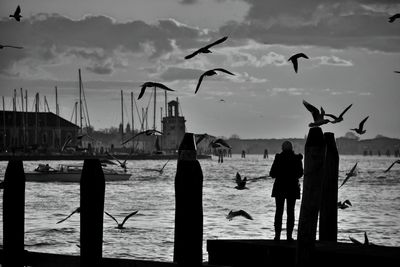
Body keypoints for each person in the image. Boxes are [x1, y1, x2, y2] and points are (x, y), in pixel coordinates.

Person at [269, 141, 303, 241]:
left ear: (282, 148)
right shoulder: (297, 159)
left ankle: (277, 236)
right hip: (292, 188)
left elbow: (272, 173)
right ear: (292, 148)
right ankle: (289, 237)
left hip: (279, 187)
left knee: (279, 212)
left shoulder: (278, 158)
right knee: (290, 212)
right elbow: (300, 174)